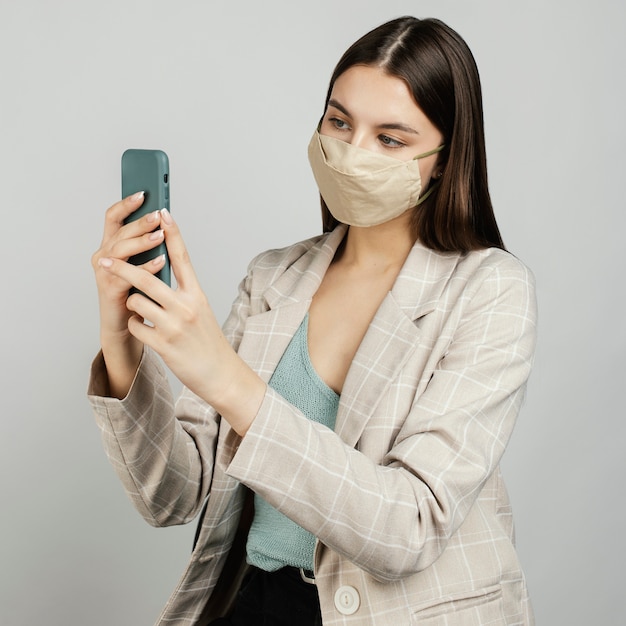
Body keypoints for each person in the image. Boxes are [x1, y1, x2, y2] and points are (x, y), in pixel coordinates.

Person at [88, 16, 537, 626]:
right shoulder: (274, 277)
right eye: (340, 122)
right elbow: (175, 495)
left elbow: (408, 526)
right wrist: (120, 337)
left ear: (445, 156)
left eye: (392, 139)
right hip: (260, 603)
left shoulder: (489, 291)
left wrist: (227, 377)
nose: (352, 153)